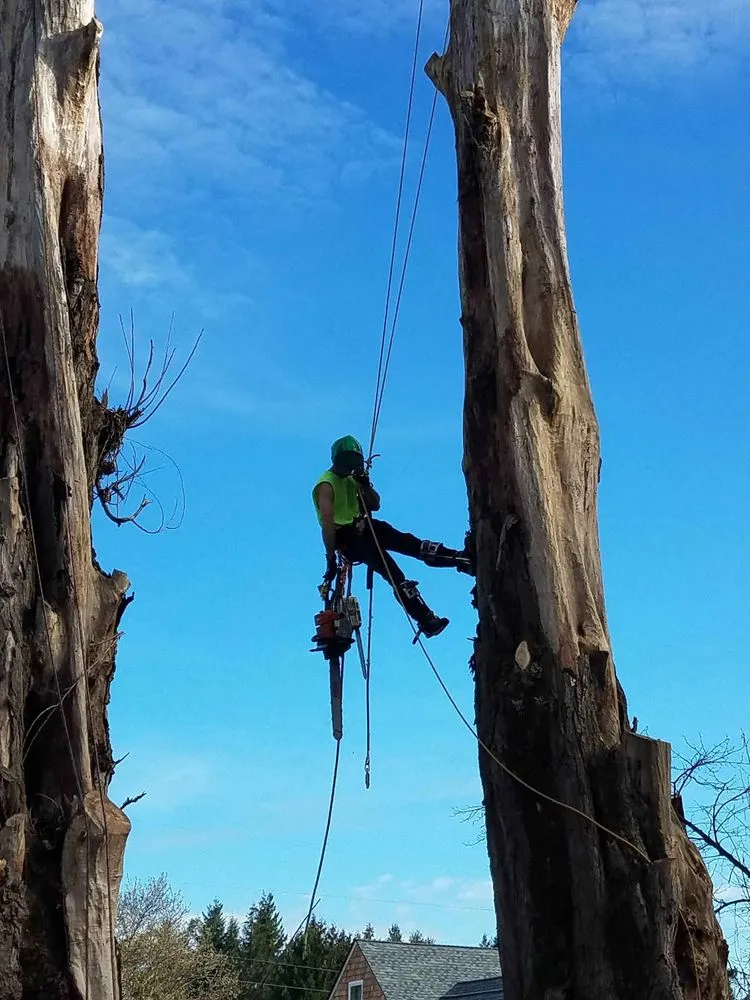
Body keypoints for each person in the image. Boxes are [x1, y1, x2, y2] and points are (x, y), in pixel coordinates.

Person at [312, 435, 472, 638]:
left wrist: (365, 485)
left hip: (364, 525)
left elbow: (375, 504)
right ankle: (425, 618)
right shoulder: (326, 485)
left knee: (408, 542)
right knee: (393, 572)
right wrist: (331, 558)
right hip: (347, 538)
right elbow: (327, 524)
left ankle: (460, 559)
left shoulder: (352, 479)